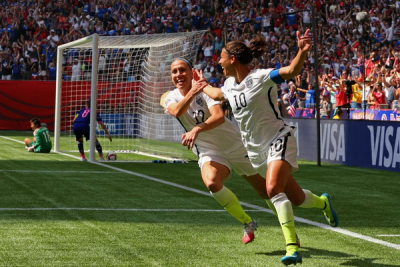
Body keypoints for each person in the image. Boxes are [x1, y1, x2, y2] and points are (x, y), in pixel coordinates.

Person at [199, 30, 339, 265]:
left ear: (233, 59)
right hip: (255, 152)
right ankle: (324, 202)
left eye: (221, 57)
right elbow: (216, 93)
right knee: (296, 198)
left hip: (278, 138)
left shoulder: (261, 77)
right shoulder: (230, 84)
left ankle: (292, 247)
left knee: (273, 189)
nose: (218, 61)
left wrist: (302, 52)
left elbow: (290, 71)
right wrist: (200, 84)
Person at [162, 58, 299, 245]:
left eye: (182, 70)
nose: (178, 75)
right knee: (211, 182)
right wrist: (192, 93)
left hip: (236, 145)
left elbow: (219, 117)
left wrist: (197, 127)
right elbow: (177, 111)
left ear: (190, 71)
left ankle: (289, 231)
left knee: (266, 191)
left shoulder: (205, 89)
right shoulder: (171, 97)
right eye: (174, 72)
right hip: (209, 151)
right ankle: (247, 222)